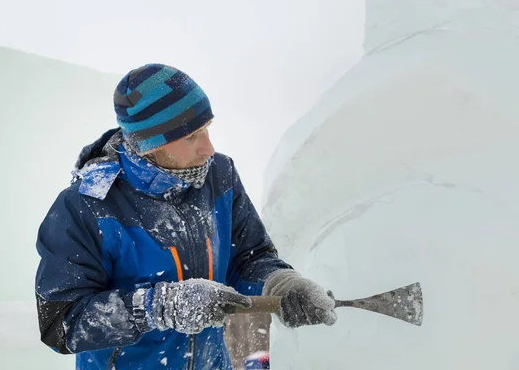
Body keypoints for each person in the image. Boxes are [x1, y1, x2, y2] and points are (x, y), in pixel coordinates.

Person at [35, 63, 337, 369]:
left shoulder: (219, 176)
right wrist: (160, 307)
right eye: (191, 136)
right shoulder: (87, 206)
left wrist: (280, 283)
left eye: (207, 129)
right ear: (151, 143)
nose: (208, 148)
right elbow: (61, 323)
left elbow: (247, 256)